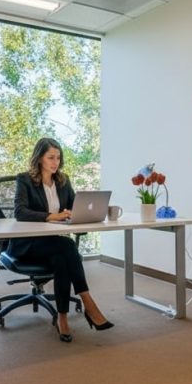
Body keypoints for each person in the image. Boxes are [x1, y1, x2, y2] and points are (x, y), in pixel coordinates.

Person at [9, 137, 113, 342]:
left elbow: (75, 206)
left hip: (52, 244)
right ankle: (88, 302)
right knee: (67, 246)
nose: (55, 162)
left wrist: (83, 212)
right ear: (39, 158)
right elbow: (20, 212)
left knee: (61, 260)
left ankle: (62, 318)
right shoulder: (25, 180)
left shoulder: (63, 181)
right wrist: (51, 216)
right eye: (50, 157)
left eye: (58, 157)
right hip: (27, 244)